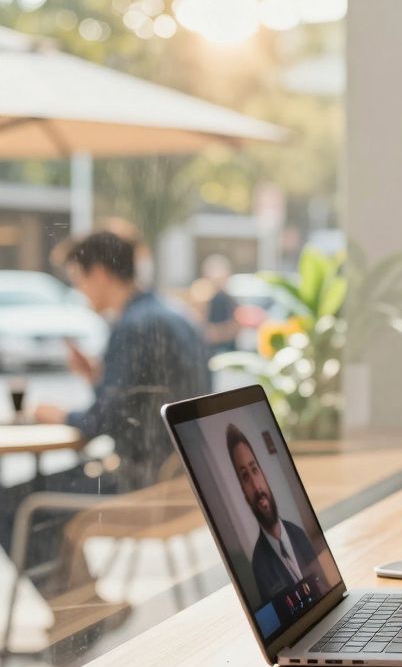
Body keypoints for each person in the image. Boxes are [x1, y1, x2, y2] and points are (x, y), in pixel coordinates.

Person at [0, 231, 209, 642]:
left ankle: (79, 617)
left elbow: (102, 422)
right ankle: (79, 615)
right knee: (37, 495)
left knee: (14, 502)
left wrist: (61, 413)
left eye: (78, 277)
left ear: (98, 272)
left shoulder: (133, 326)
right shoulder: (173, 314)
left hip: (142, 483)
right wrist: (99, 376)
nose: (79, 290)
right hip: (180, 480)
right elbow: (143, 404)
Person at [224, 424, 317, 604]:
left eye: (254, 470)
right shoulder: (259, 566)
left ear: (264, 475)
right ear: (244, 493)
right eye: (245, 477)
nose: (256, 486)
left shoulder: (298, 533)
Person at [198, 254, 240, 357]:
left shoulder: (227, 299)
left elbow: (234, 326)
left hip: (224, 350)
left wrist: (216, 333)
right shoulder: (204, 297)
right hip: (211, 351)